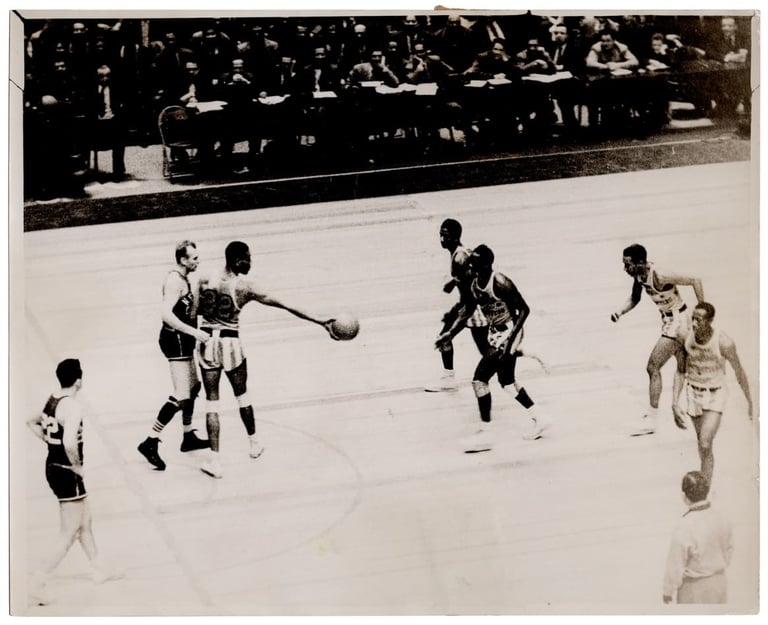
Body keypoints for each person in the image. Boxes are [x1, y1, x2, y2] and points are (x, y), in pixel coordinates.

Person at [195, 241, 336, 478]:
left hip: (207, 341)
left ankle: (215, 461)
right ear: (236, 259)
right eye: (247, 258)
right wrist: (320, 321)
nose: (250, 262)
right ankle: (254, 443)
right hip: (231, 343)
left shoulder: (205, 278)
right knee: (242, 395)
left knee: (211, 403)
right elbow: (284, 304)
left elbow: (194, 311)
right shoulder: (245, 287)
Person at [26, 359, 123, 606]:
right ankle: (38, 583)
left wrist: (50, 444)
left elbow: (31, 422)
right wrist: (77, 466)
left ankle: (99, 568)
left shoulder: (53, 399)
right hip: (67, 471)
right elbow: (69, 442)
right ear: (79, 380)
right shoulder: (73, 407)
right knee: (69, 532)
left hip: (53, 466)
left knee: (85, 520)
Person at [436, 244, 550, 452]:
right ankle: (540, 417)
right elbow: (468, 310)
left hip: (508, 331)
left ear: (487, 264)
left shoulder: (499, 281)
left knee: (479, 380)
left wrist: (511, 341)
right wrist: (450, 333)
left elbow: (524, 309)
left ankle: (486, 434)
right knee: (507, 382)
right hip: (496, 333)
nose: (471, 263)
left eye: (476, 260)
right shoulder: (474, 283)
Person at [611, 243, 704, 436]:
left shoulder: (660, 275)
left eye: (628, 264)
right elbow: (635, 298)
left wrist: (703, 313)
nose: (625, 269)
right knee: (682, 369)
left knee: (653, 367)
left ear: (640, 262)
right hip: (671, 321)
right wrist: (620, 312)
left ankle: (651, 421)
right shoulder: (639, 275)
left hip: (679, 322)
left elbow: (695, 280)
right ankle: (690, 409)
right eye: (624, 264)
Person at [138, 241, 210, 471]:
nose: (198, 261)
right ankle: (150, 441)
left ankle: (188, 435)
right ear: (182, 260)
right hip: (175, 340)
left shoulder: (187, 278)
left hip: (183, 339)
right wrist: (194, 332)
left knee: (195, 387)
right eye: (194, 258)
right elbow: (166, 315)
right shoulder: (173, 281)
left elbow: (190, 309)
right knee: (181, 395)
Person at [672, 302, 753, 486]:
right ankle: (704, 482)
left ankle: (704, 488)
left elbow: (739, 371)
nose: (693, 323)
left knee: (705, 443)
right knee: (703, 445)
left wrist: (750, 400)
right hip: (693, 393)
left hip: (715, 394)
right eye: (693, 318)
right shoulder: (684, 336)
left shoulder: (724, 342)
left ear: (710, 321)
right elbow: (680, 371)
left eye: (698, 320)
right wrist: (675, 403)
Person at [425, 219, 489, 392]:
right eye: (440, 235)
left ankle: (509, 364)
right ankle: (448, 378)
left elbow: (471, 293)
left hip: (473, 308)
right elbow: (469, 276)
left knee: (485, 349)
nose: (441, 239)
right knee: (446, 336)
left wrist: (458, 311)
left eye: (445, 235)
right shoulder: (460, 253)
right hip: (468, 304)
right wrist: (454, 282)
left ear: (455, 236)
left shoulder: (460, 257)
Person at [662, 470, 733, 604]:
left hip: (695, 588)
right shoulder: (721, 518)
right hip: (720, 582)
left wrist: (668, 590)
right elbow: (729, 549)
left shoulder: (685, 525)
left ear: (684, 496)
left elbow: (676, 563)